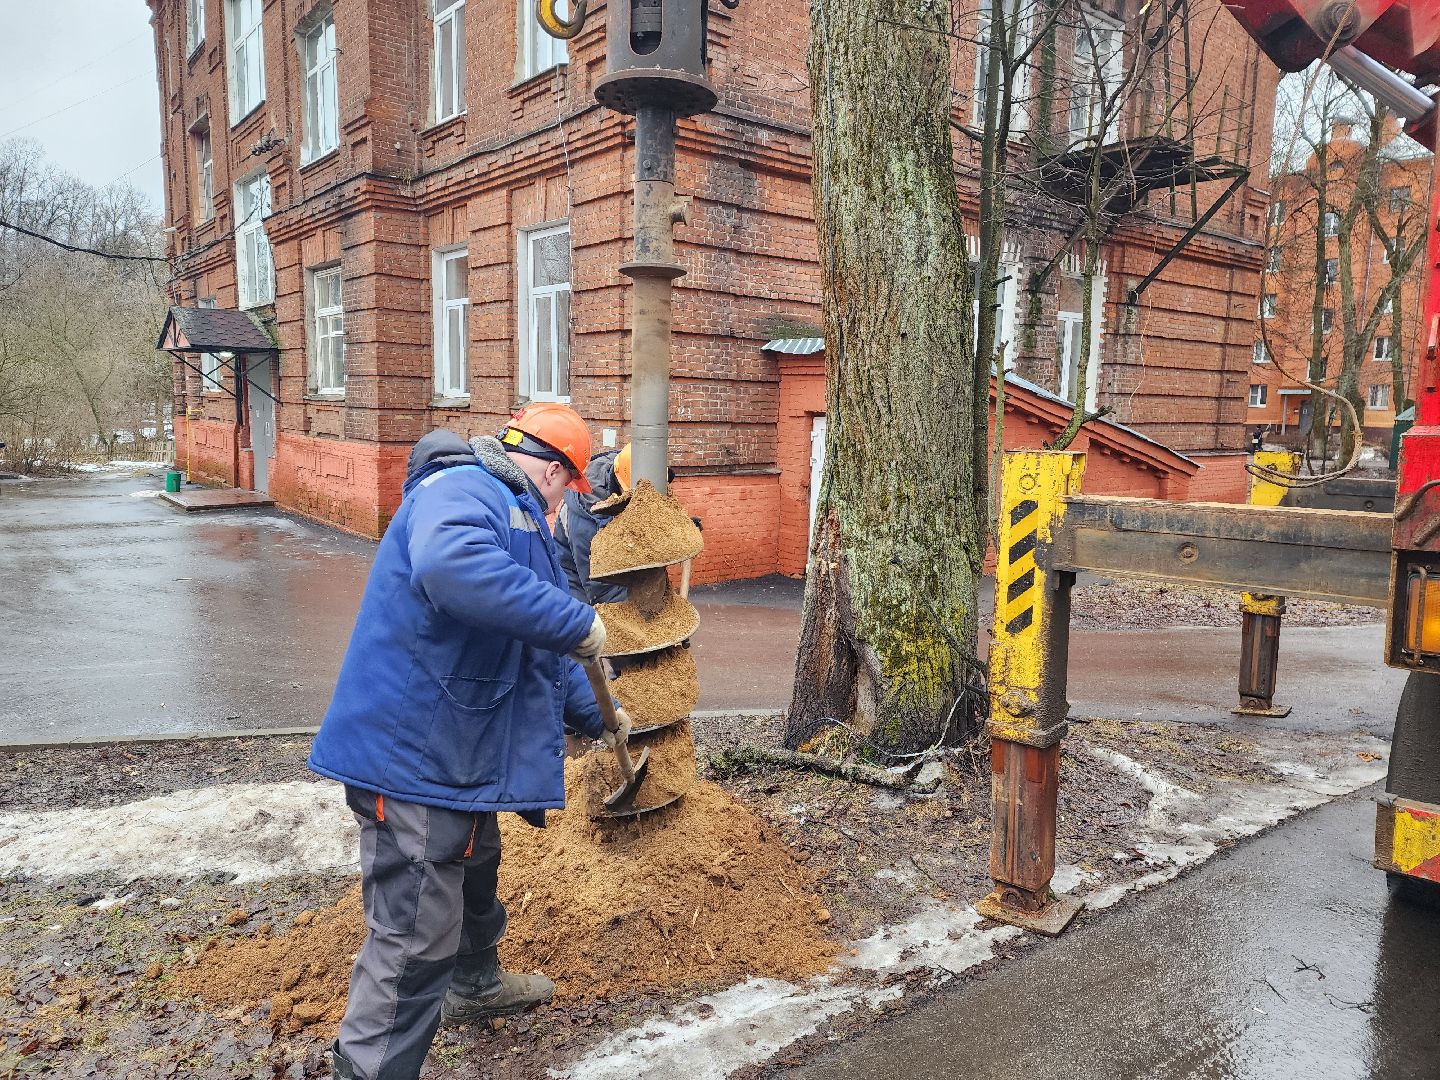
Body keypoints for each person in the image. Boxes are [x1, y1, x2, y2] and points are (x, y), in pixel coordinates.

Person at [309, 403, 632, 1080]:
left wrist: (601, 716)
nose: (563, 506)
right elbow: (451, 567)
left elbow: (532, 647)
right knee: (415, 933)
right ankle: (367, 1070)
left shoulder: (514, 517)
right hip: (413, 757)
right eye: (567, 491)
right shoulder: (462, 487)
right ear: (552, 472)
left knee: (477, 863)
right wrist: (576, 620)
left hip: (456, 749)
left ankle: (476, 985)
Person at [554, 443, 632, 604]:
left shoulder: (626, 466)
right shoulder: (587, 520)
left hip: (618, 574)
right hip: (578, 584)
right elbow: (600, 586)